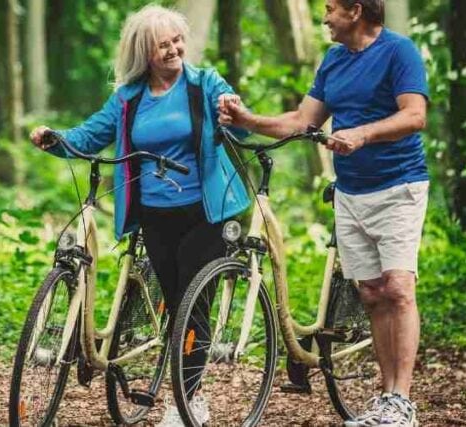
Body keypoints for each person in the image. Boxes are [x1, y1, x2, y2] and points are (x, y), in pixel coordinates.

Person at [29, 4, 250, 426]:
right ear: (144, 53)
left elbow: (240, 127)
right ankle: (184, 386)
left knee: (191, 303)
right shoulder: (129, 99)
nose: (173, 49)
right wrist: (55, 140)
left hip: (206, 210)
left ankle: (189, 401)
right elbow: (90, 134)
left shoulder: (205, 84)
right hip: (155, 213)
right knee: (172, 304)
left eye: (177, 40)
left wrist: (235, 113)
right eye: (162, 45)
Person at [218, 0, 429, 425]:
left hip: (399, 186)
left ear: (356, 10)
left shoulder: (398, 51)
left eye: (331, 8)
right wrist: (247, 119)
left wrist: (363, 135)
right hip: (351, 191)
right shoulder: (333, 62)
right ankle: (386, 399)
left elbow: (414, 115)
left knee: (399, 288)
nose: (324, 16)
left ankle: (401, 401)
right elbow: (301, 120)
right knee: (370, 292)